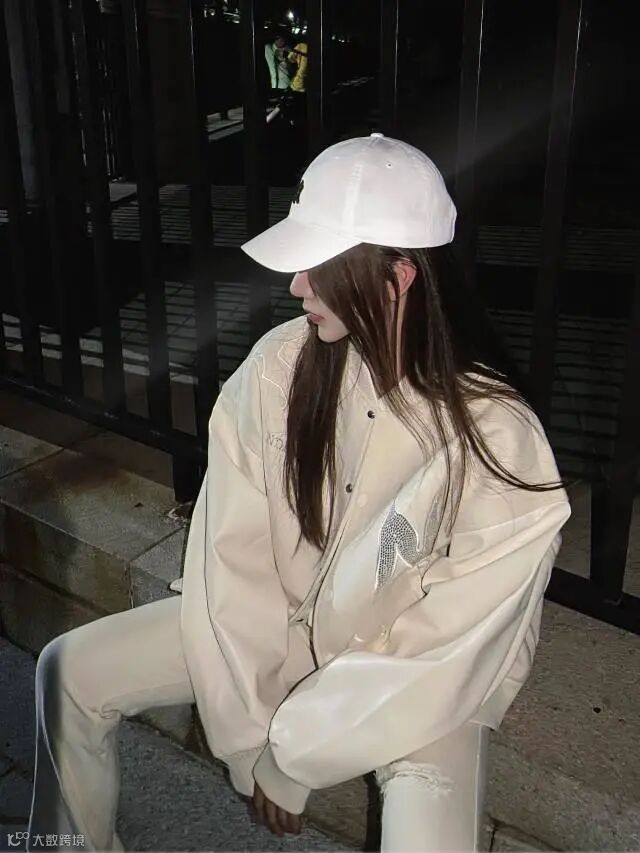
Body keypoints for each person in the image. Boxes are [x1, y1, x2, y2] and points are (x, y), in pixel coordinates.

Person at [26, 133, 572, 852]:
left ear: (398, 278)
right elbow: (235, 563)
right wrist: (252, 735)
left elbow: (447, 649)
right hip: (282, 621)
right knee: (69, 670)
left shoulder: (495, 436)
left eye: (319, 265)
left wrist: (293, 759)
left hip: (413, 677)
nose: (296, 285)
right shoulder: (280, 366)